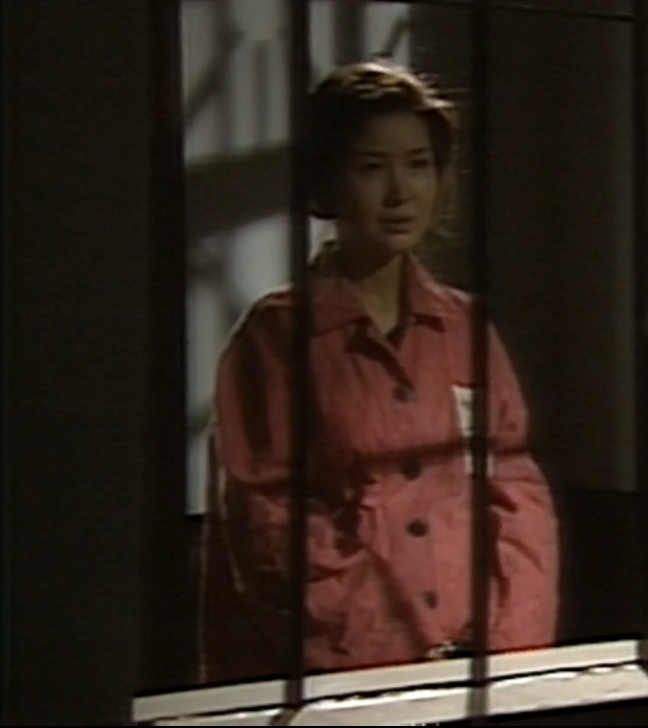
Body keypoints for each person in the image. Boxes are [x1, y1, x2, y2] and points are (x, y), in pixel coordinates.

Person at [199, 59, 560, 681]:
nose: (400, 193)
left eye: (418, 164)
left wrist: (504, 647)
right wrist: (391, 649)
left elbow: (516, 490)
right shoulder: (280, 337)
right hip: (336, 671)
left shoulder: (464, 329)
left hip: (474, 663)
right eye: (371, 167)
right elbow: (269, 523)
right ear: (328, 180)